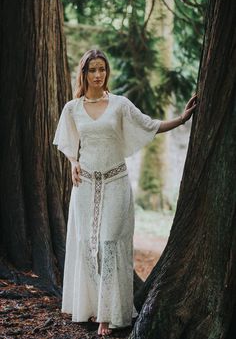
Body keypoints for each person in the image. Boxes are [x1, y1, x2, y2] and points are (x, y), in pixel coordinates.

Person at [52, 49, 197, 336]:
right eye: (92, 70)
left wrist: (182, 119)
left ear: (106, 72)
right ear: (83, 74)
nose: (97, 75)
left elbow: (149, 125)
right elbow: (68, 143)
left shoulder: (119, 105)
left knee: (107, 243)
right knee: (86, 243)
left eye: (102, 69)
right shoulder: (72, 108)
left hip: (116, 182)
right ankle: (89, 306)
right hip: (86, 186)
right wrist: (72, 163)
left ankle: (108, 316)